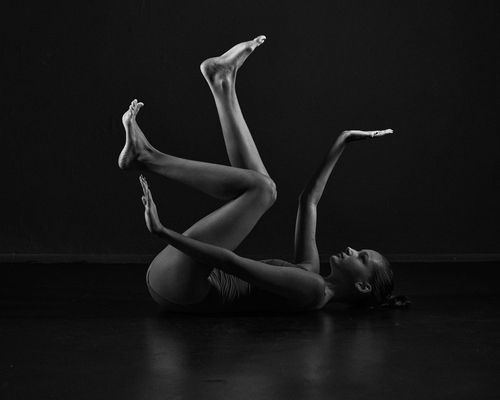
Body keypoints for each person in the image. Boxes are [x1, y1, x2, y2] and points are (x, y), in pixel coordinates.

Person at [118, 35, 410, 314]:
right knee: (261, 186)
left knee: (263, 191)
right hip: (179, 281)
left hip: (181, 289)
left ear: (362, 286)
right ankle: (222, 83)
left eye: (361, 257)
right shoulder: (310, 272)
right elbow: (308, 201)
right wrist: (342, 140)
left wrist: (162, 232)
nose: (352, 249)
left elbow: (231, 262)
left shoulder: (313, 289)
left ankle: (147, 156)